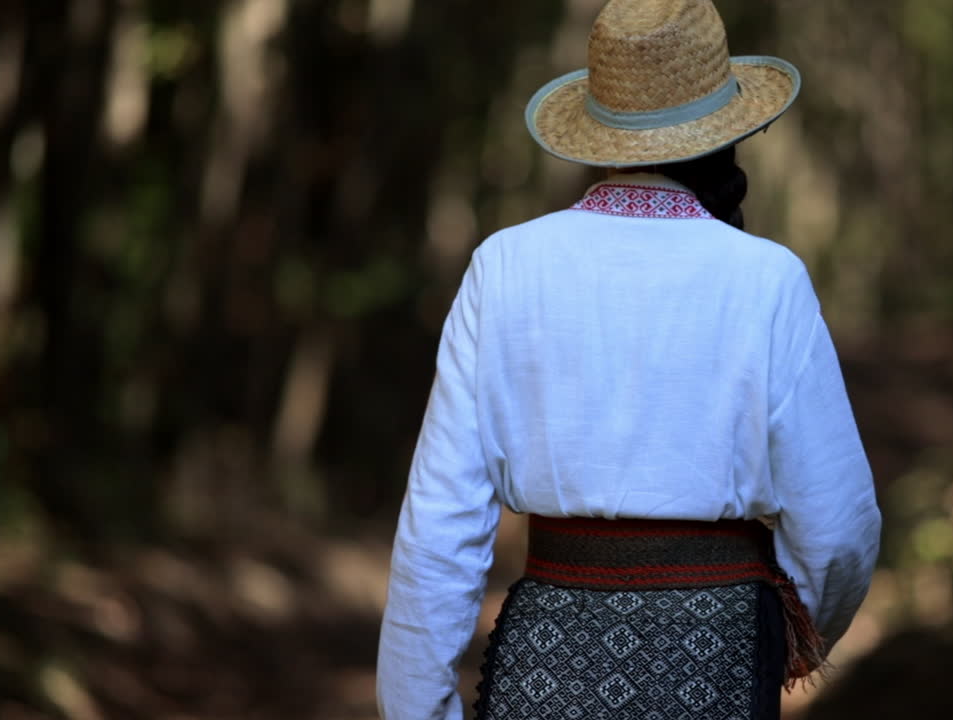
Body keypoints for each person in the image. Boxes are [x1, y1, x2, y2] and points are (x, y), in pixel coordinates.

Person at [375, 1, 882, 718]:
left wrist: (416, 708)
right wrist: (782, 631)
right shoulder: (768, 280)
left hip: (547, 664)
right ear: (729, 132)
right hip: (717, 656)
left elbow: (440, 522)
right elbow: (837, 530)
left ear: (600, 129)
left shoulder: (505, 267)